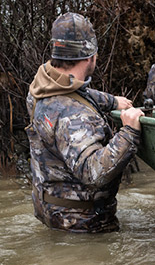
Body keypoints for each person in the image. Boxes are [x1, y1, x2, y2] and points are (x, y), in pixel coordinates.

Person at [26, 12, 144, 233]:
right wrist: (129, 132)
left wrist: (112, 101)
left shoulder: (40, 88)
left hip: (51, 209)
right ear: (91, 57)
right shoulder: (74, 115)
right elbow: (93, 173)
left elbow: (77, 92)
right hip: (84, 224)